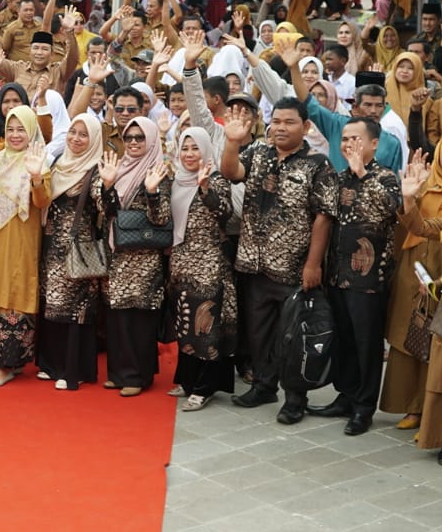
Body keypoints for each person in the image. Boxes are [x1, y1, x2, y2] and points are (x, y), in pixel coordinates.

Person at [221, 97, 338, 425]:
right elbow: (231, 171)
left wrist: (313, 265)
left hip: (293, 268)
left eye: (289, 122)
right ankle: (264, 385)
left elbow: (323, 218)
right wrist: (232, 142)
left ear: (306, 126)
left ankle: (295, 398)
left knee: (293, 336)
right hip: (254, 263)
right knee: (258, 332)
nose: (281, 127)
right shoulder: (258, 152)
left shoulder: (318, 164)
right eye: (277, 121)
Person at [306, 118, 401, 435]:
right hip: (337, 274)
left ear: (374, 144)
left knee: (366, 344)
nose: (349, 145)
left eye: (356, 139)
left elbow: (390, 209)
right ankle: (345, 396)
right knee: (343, 340)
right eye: (345, 139)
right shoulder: (336, 178)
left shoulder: (386, 178)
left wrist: (362, 173)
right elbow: (324, 219)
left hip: (369, 280)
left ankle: (364, 406)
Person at [95, 116, 171, 397]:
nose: (135, 143)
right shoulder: (118, 168)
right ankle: (118, 372)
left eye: (140, 138)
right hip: (117, 257)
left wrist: (151, 192)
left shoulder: (160, 171)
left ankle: (137, 376)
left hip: (145, 258)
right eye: (129, 138)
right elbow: (107, 212)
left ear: (150, 140)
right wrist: (107, 185)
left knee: (140, 319)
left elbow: (162, 218)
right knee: (117, 318)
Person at [0, 106, 50, 388]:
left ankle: (8, 365)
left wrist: (35, 178)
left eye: (22, 129)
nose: (16, 135)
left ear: (32, 131)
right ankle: (3, 361)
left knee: (17, 292)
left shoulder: (39, 162)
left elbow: (42, 202)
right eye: (10, 129)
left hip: (22, 242)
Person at [167, 127, 237, 411]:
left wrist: (206, 189)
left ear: (206, 150)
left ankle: (205, 387)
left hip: (209, 263)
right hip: (180, 262)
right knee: (185, 324)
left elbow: (225, 212)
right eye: (185, 148)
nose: (189, 154)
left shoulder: (216, 179)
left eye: (195, 148)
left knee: (205, 325)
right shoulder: (176, 180)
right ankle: (186, 380)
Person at [38, 114, 105, 391]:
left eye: (83, 134)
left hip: (79, 251)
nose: (76, 139)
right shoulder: (57, 164)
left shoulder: (96, 170)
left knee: (76, 311)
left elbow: (104, 206)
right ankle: (51, 365)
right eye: (73, 132)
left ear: (94, 140)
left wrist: (109, 187)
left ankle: (72, 370)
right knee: (52, 306)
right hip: (52, 247)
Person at [385, 142, 442, 432]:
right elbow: (413, 227)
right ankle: (412, 407)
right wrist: (410, 197)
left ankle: (431, 415)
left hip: (439, 272)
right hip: (415, 267)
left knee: (435, 345)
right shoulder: (425, 183)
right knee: (409, 335)